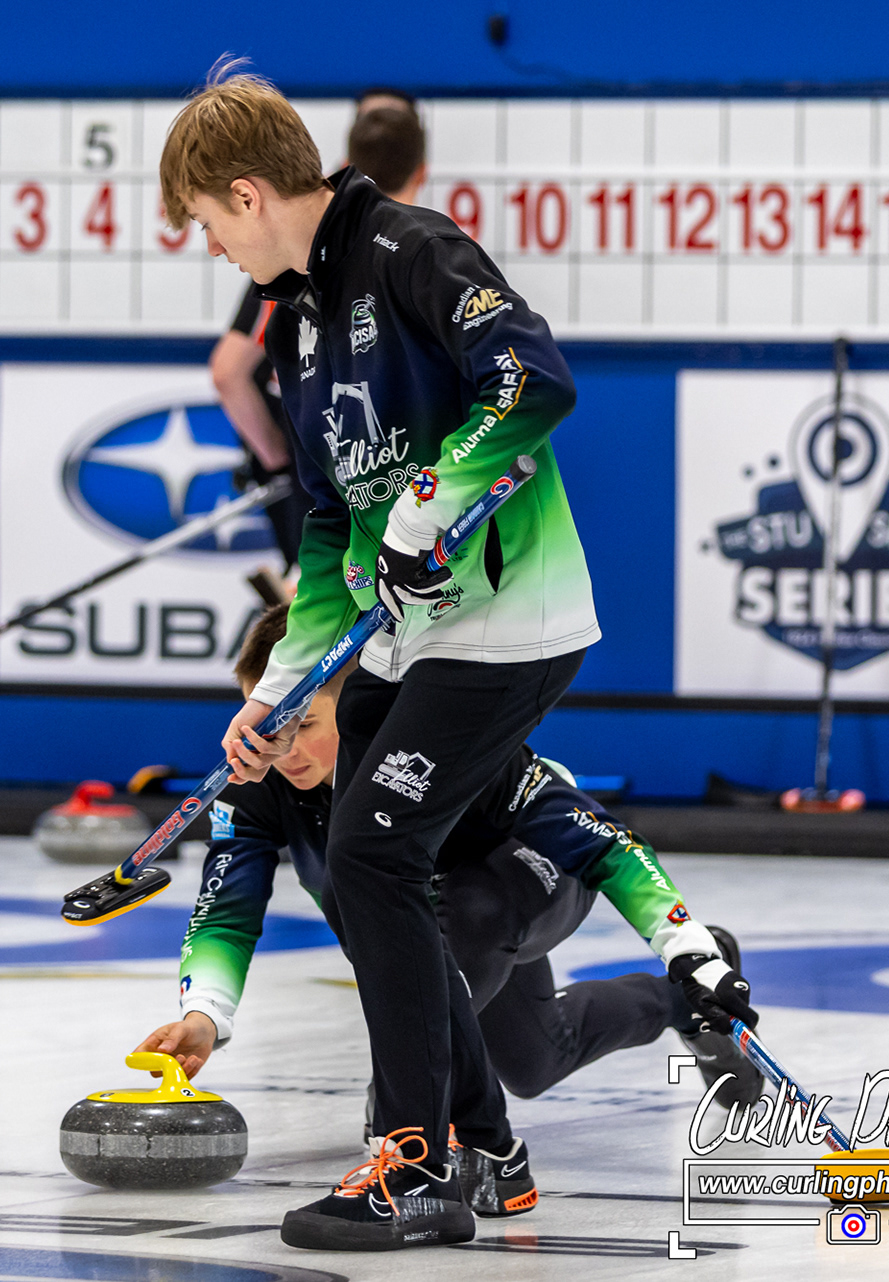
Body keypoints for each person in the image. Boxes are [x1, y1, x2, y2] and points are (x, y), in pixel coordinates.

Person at [160, 66, 748, 1252]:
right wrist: (280, 690)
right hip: (409, 636)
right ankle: (484, 1146)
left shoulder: (412, 249)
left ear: (248, 195)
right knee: (364, 854)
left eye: (211, 224)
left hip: (512, 624)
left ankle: (415, 1161)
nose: (214, 248)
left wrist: (430, 500)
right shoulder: (299, 323)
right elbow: (328, 524)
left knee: (371, 853)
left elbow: (534, 378)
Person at [135, 606, 763, 1215]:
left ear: (359, 704)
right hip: (432, 931)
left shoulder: (444, 747)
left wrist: (689, 950)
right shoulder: (256, 780)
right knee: (537, 1058)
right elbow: (226, 909)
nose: (282, 747)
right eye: (265, 722)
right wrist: (205, 1014)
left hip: (529, 880)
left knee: (464, 924)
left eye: (305, 723)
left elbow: (608, 848)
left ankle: (416, 1128)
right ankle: (675, 1004)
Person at [211, 101, 428, 570]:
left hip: (329, 485)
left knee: (324, 597)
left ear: (345, 165)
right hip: (413, 489)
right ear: (422, 171)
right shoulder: (430, 253)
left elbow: (228, 372)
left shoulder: (300, 258)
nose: (215, 245)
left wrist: (281, 465)